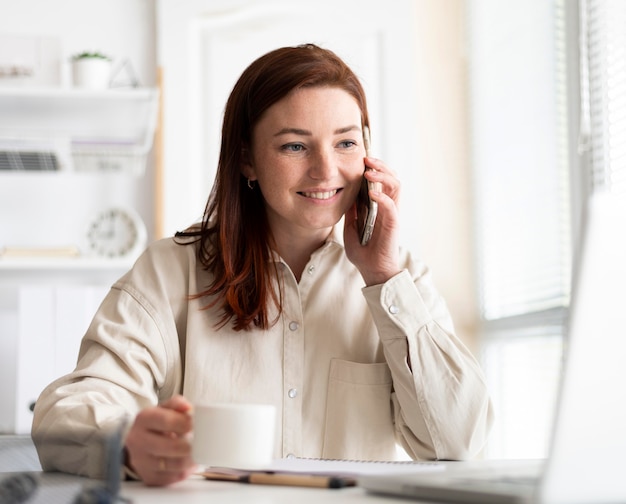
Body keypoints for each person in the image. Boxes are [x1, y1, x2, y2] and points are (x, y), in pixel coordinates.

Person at [32, 43, 493, 487]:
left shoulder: (400, 278)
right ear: (247, 159)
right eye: (295, 146)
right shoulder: (170, 270)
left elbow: (459, 442)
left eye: (346, 143)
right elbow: (65, 414)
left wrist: (383, 279)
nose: (325, 170)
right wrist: (125, 444)